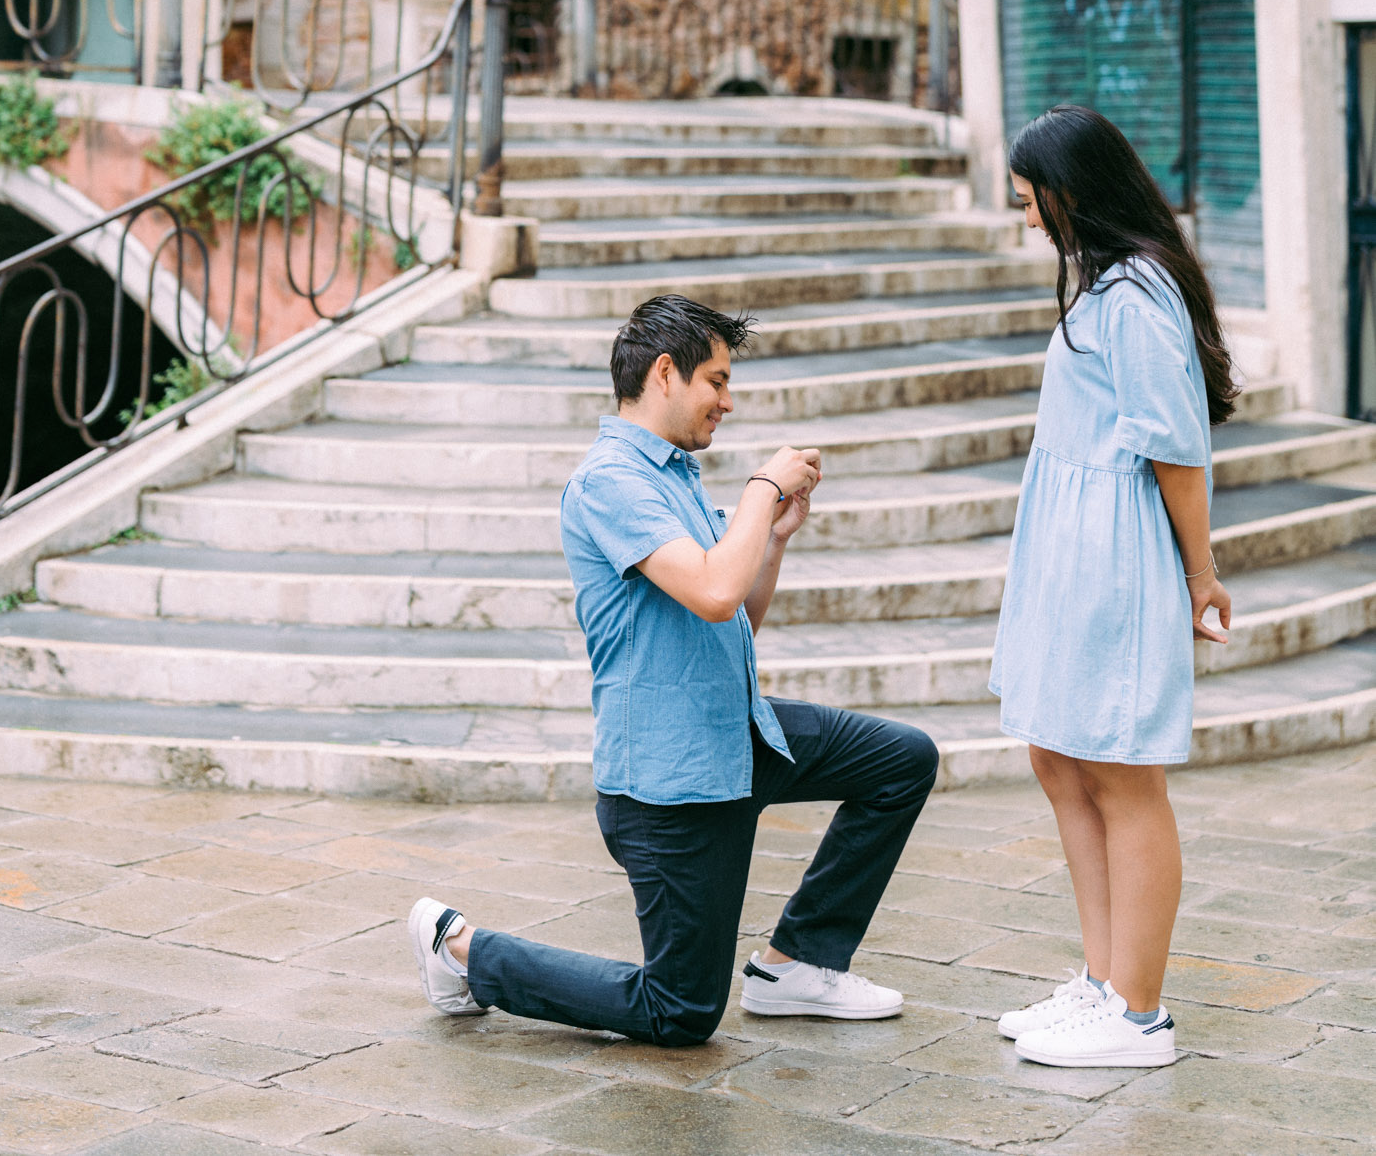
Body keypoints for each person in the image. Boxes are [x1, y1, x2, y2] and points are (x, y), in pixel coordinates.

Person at [409, 291, 939, 1044]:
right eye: (716, 382)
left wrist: (775, 537)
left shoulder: (673, 474)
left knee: (901, 762)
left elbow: (731, 620)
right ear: (665, 372)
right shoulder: (611, 482)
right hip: (672, 783)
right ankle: (462, 951)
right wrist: (761, 489)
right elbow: (717, 592)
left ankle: (797, 963)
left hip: (740, 735)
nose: (728, 401)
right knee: (681, 1011)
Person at [990, 105, 1235, 1071]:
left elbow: (1177, 450)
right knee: (1060, 757)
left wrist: (1200, 575)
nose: (1026, 221)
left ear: (1071, 194)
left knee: (1123, 773)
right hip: (1066, 543)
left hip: (1114, 551)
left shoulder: (1135, 297)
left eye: (1029, 203)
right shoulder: (1108, 285)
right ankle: (1102, 981)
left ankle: (1139, 1013)